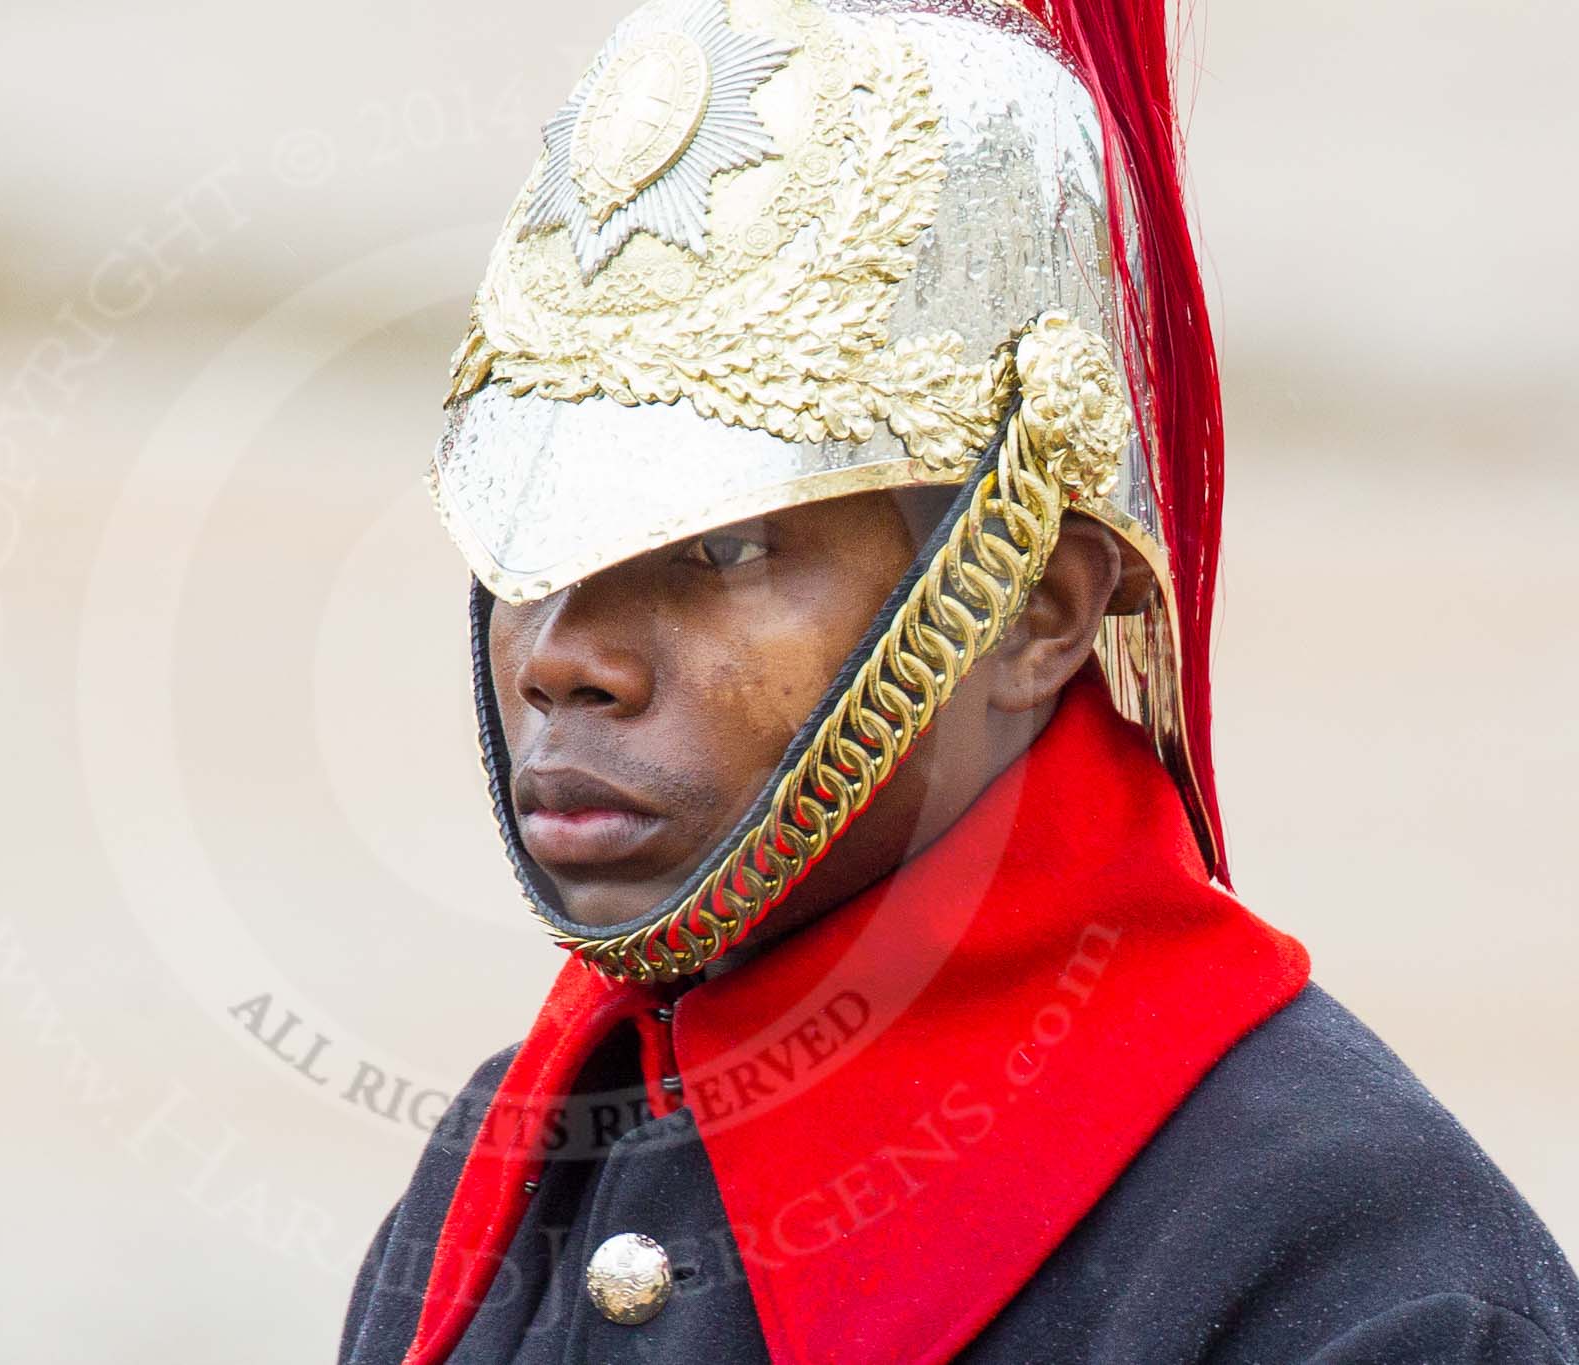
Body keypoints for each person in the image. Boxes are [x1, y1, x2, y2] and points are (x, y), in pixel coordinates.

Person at [340, 0, 1579, 1360]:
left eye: (722, 547)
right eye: (537, 538)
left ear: (1035, 609)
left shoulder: (1367, 1278)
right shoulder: (503, 1163)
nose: (567, 652)